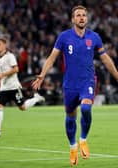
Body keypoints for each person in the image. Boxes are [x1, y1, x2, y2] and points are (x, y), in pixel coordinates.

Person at [32, 5, 118, 166]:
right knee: (70, 116)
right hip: (70, 84)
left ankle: (83, 139)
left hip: (88, 81)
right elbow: (51, 58)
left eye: (84, 15)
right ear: (73, 19)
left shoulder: (95, 37)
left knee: (86, 108)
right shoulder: (64, 37)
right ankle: (73, 146)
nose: (81, 18)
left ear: (87, 18)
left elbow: (105, 59)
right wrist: (42, 75)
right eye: (78, 15)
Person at [0, 36, 45, 138]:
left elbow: (16, 69)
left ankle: (36, 98)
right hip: (4, 88)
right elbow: (2, 73)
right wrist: (0, 81)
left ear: (5, 45)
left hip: (13, 87)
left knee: (23, 107)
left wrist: (2, 75)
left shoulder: (10, 56)